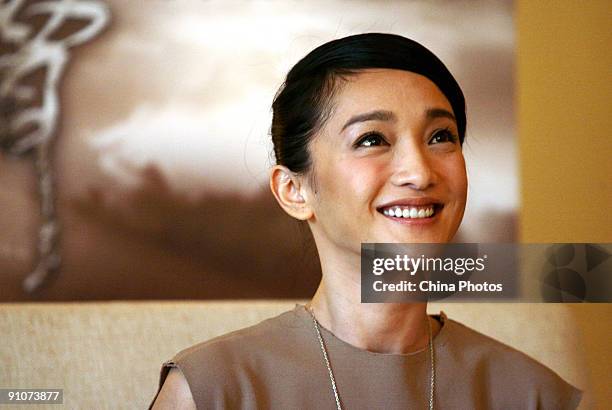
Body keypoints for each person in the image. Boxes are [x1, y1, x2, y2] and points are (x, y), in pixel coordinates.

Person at [149, 33, 582, 409]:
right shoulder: (212, 391)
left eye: (440, 137)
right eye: (372, 139)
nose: (419, 172)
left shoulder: (535, 395)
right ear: (294, 191)